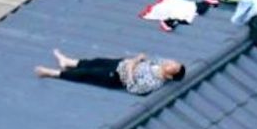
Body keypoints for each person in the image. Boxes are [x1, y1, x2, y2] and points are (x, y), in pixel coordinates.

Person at [34, 49, 185, 95]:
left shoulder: (155, 82)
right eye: (173, 62)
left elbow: (134, 88)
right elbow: (143, 58)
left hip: (117, 77)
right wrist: (138, 58)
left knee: (88, 74)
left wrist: (131, 68)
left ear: (170, 75)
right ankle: (67, 62)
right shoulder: (158, 63)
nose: (170, 63)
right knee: (95, 61)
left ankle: (52, 73)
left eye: (173, 66)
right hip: (120, 63)